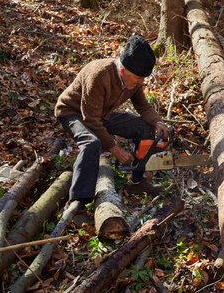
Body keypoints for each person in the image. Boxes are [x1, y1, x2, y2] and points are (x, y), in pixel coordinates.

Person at [55, 35, 169, 208]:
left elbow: (143, 106)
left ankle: (136, 183)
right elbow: (90, 120)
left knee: (143, 128)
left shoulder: (134, 79)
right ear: (123, 72)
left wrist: (158, 122)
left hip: (100, 113)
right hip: (72, 112)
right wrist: (114, 149)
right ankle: (78, 201)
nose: (140, 83)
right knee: (91, 143)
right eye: (137, 80)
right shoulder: (99, 75)